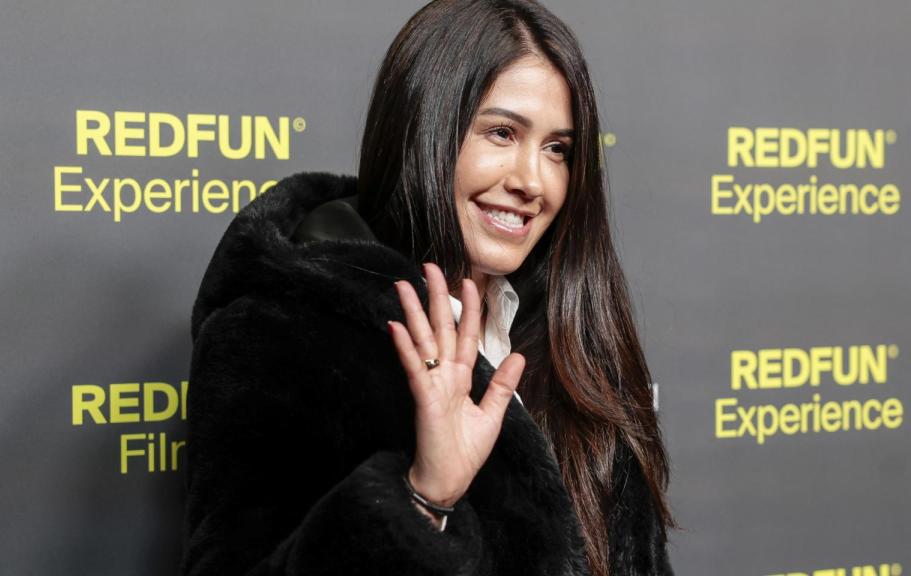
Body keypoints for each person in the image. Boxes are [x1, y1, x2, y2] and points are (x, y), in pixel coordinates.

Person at [180, 1, 676, 575]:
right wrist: (422, 498)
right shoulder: (281, 331)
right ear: (425, 128)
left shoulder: (569, 332)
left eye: (557, 149)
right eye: (501, 132)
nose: (532, 181)